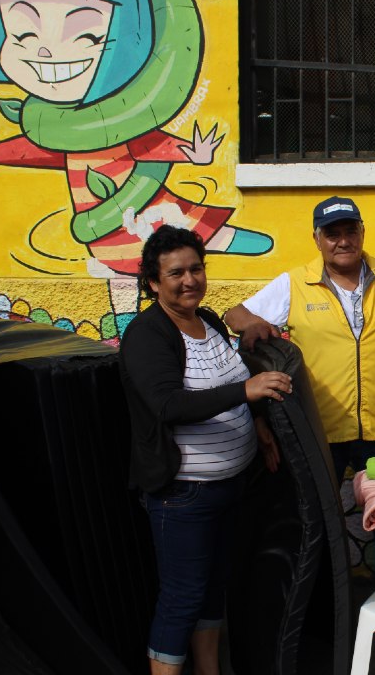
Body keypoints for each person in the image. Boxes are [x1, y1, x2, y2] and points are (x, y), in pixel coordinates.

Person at [119, 226, 291, 675]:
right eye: (175, 273)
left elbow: (226, 382)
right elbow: (167, 404)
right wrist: (248, 393)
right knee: (182, 599)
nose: (189, 280)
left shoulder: (209, 320)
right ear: (153, 282)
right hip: (183, 495)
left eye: (196, 268)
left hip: (228, 487)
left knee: (212, 589)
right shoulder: (146, 334)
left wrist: (256, 425)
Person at [223, 196, 375, 481]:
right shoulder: (295, 282)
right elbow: (234, 314)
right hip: (320, 426)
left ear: (363, 232)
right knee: (321, 513)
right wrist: (252, 323)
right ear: (317, 239)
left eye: (351, 231)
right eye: (332, 234)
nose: (344, 241)